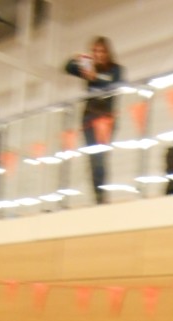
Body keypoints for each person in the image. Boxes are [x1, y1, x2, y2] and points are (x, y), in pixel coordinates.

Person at [65, 36, 124, 204]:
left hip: (106, 119)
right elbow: (67, 67)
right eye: (95, 51)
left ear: (107, 52)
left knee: (101, 158)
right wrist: (77, 59)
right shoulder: (89, 69)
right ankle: (97, 195)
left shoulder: (116, 70)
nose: (98, 55)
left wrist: (95, 77)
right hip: (89, 118)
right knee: (93, 158)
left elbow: (114, 84)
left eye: (101, 51)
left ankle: (102, 194)